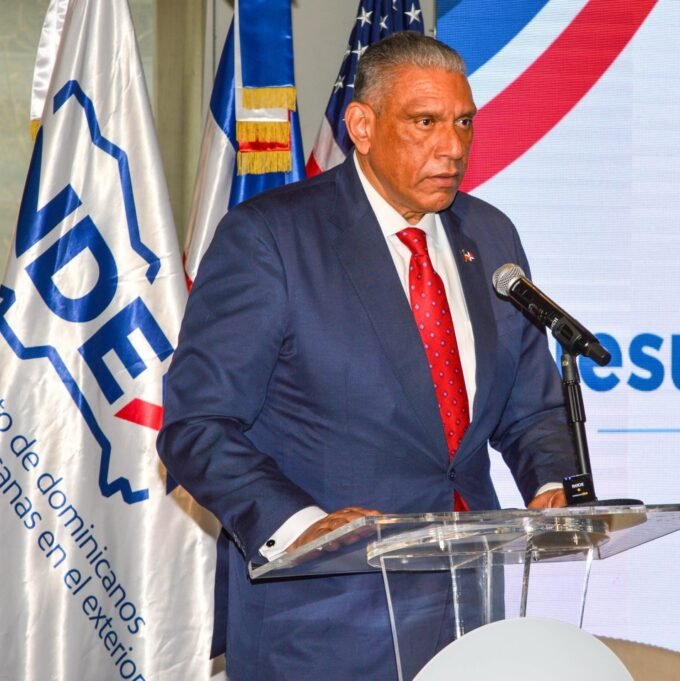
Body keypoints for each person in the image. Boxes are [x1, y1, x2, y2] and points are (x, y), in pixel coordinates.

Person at [157, 32, 576, 680]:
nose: (452, 146)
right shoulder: (272, 237)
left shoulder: (491, 235)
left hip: (469, 616)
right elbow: (198, 424)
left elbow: (530, 408)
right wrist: (305, 525)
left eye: (464, 122)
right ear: (361, 125)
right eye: (425, 122)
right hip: (321, 618)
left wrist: (555, 485)